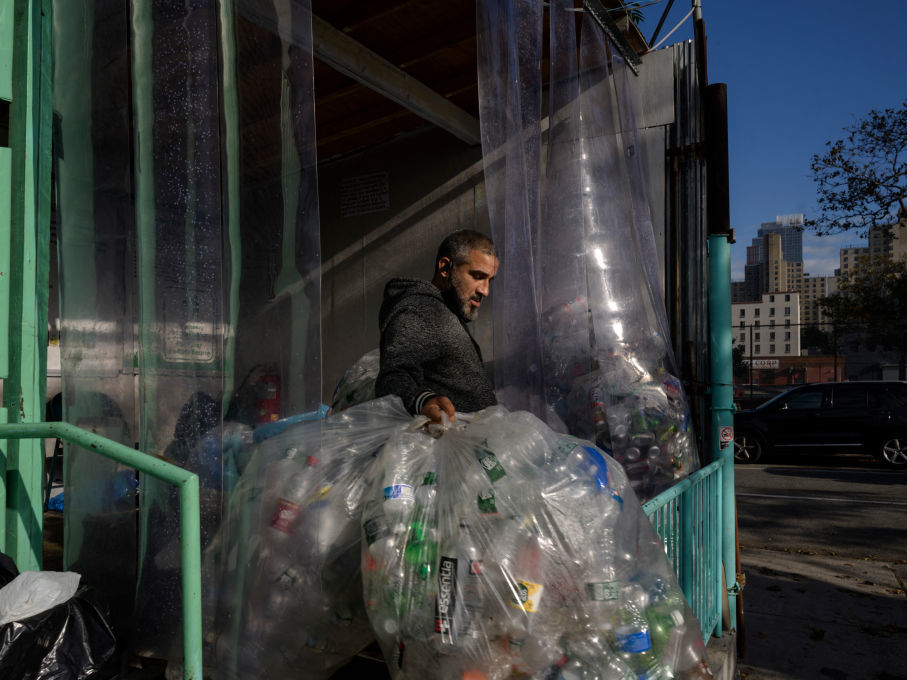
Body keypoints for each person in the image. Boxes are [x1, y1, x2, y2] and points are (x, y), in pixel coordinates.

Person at [376, 229, 498, 422]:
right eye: (477, 276)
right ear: (445, 268)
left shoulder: (446, 310)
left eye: (489, 280)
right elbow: (394, 376)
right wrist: (423, 401)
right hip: (450, 446)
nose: (485, 291)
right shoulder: (419, 309)